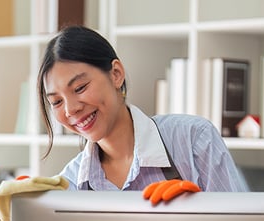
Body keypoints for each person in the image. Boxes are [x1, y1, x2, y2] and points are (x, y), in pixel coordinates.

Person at [38, 25, 248, 192]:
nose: (70, 109)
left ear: (116, 74)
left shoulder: (194, 139)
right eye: (56, 102)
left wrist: (194, 212)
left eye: (80, 87)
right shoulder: (70, 185)